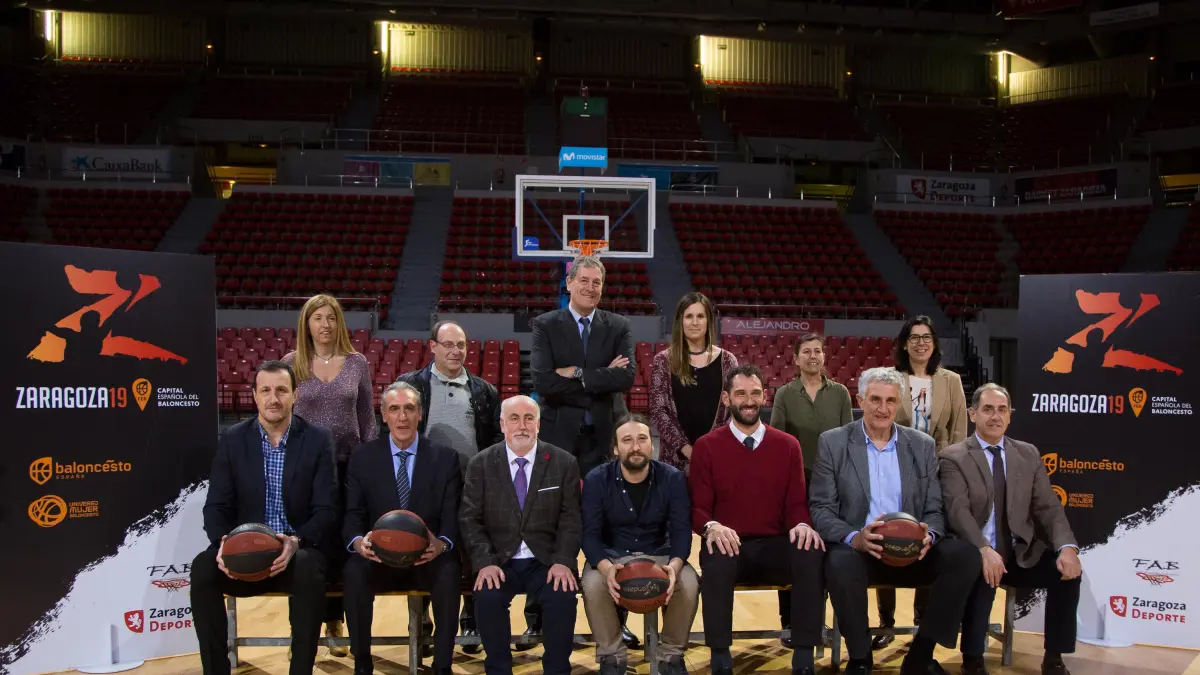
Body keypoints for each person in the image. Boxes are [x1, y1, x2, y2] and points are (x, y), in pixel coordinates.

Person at [810, 367, 980, 675]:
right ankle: (860, 658)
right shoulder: (833, 443)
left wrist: (930, 535)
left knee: (965, 557)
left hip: (911, 549)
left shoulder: (922, 444)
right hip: (862, 549)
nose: (883, 408)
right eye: (875, 399)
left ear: (899, 402)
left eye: (890, 401)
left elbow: (934, 508)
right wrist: (855, 538)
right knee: (838, 563)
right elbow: (821, 508)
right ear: (860, 400)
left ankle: (921, 655)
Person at [190, 360, 337, 675]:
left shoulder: (317, 440)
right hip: (245, 553)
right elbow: (215, 506)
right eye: (266, 390)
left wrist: (296, 542)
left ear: (295, 395)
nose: (274, 398)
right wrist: (223, 543)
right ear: (254, 396)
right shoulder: (233, 439)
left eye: (282, 390)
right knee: (203, 568)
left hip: (293, 553)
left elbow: (327, 509)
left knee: (309, 567)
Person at [690, 365, 827, 675]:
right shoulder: (706, 446)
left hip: (775, 544)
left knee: (810, 552)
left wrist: (802, 524)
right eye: (740, 394)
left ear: (764, 396)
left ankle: (804, 654)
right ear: (726, 399)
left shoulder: (788, 446)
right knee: (715, 557)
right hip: (730, 543)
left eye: (755, 393)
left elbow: (796, 503)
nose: (749, 401)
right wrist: (711, 526)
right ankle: (720, 655)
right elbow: (698, 509)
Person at [529, 254, 636, 647]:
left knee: (611, 528)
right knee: (547, 526)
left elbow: (626, 377)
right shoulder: (546, 324)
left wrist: (574, 373)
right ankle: (538, 619)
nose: (591, 288)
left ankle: (617, 620)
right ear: (569, 283)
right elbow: (543, 382)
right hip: (557, 443)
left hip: (604, 443)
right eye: (585, 281)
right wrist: (599, 379)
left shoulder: (618, 325)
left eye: (597, 282)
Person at [940, 384, 1081, 675]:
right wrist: (983, 548)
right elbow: (958, 511)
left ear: (1010, 416)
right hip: (977, 549)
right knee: (981, 574)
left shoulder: (1027, 454)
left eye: (1002, 410)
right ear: (973, 414)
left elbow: (1048, 506)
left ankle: (1054, 658)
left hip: (1018, 553)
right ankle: (972, 660)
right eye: (988, 409)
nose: (996, 416)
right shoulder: (953, 457)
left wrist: (1067, 547)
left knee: (1066, 574)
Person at [342, 382, 463, 675]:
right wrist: (358, 542)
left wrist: (442, 544)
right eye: (394, 409)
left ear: (420, 413)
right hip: (380, 556)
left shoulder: (445, 458)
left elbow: (452, 514)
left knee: (449, 571)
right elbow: (352, 513)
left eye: (409, 408)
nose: (402, 417)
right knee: (354, 571)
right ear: (384, 415)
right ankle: (362, 661)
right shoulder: (363, 457)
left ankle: (443, 665)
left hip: (426, 556)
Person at [395, 319, 502, 650]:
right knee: (421, 550)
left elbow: (494, 440)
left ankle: (471, 620)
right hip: (423, 485)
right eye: (449, 345)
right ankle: (422, 622)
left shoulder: (484, 391)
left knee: (472, 552)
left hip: (471, 486)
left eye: (461, 345)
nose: (456, 351)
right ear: (433, 347)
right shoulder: (410, 385)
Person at [458, 395, 582, 675]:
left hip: (546, 560)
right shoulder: (480, 464)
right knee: (487, 597)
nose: (522, 426)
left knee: (562, 596)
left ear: (538, 424)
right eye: (514, 419)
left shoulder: (563, 462)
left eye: (529, 419)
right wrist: (485, 562)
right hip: (499, 559)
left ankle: (557, 670)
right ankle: (498, 670)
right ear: (502, 424)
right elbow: (469, 519)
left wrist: (563, 560)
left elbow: (571, 518)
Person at [283, 293, 378, 655]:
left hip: (349, 467)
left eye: (331, 317)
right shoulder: (291, 363)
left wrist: (370, 464)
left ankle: (336, 621)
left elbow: (367, 419)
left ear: (339, 323)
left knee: (343, 546)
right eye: (317, 318)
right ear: (306, 324)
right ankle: (300, 631)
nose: (325, 324)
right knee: (305, 547)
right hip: (305, 471)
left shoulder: (357, 363)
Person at [875, 315, 968, 649]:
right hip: (894, 466)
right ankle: (886, 622)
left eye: (926, 337)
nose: (920, 343)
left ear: (934, 343)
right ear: (904, 344)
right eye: (914, 337)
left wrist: (950, 467)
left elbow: (959, 430)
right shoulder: (890, 378)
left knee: (928, 537)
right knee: (890, 535)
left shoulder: (951, 381)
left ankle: (922, 620)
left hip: (938, 468)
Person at [581, 414, 699, 675]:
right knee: (593, 583)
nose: (635, 446)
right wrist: (606, 568)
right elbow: (589, 535)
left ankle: (670, 657)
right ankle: (612, 658)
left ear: (651, 445)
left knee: (689, 582)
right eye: (627, 440)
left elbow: (681, 531)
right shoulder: (596, 479)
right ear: (615, 448)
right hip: (613, 556)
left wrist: (674, 566)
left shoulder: (672, 478)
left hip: (660, 554)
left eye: (642, 439)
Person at [769, 332, 853, 647]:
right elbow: (777, 443)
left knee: (828, 552)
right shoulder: (785, 394)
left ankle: (821, 621)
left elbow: (849, 439)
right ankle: (789, 622)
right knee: (795, 549)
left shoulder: (840, 393)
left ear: (824, 356)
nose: (813, 356)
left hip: (832, 485)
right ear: (796, 358)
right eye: (806, 351)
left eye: (818, 351)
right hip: (797, 484)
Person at [650, 292, 738, 473]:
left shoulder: (728, 361)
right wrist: (687, 450)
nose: (695, 322)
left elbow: (733, 410)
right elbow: (659, 411)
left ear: (708, 321)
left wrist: (711, 447)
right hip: (674, 463)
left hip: (717, 457)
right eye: (689, 316)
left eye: (700, 316)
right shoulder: (663, 361)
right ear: (680, 321)